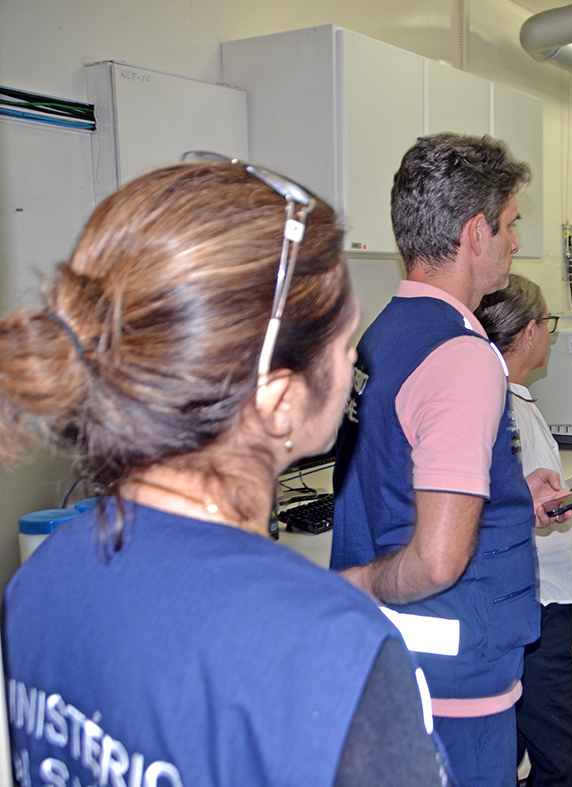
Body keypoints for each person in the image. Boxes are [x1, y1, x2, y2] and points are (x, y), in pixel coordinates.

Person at [0, 157, 449, 786]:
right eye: (343, 342)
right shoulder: (329, 649)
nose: (353, 359)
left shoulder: (40, 578)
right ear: (279, 399)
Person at [331, 134, 572, 787]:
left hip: (396, 657)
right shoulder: (464, 356)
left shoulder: (386, 332)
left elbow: (398, 480)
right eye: (510, 225)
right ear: (475, 232)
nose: (515, 242)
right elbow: (439, 559)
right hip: (454, 665)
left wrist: (506, 498)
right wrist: (356, 584)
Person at [475, 274, 572, 787]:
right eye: (548, 322)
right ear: (528, 333)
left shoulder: (507, 398)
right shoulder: (504, 407)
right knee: (564, 757)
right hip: (537, 602)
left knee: (524, 732)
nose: (550, 333)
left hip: (538, 597)